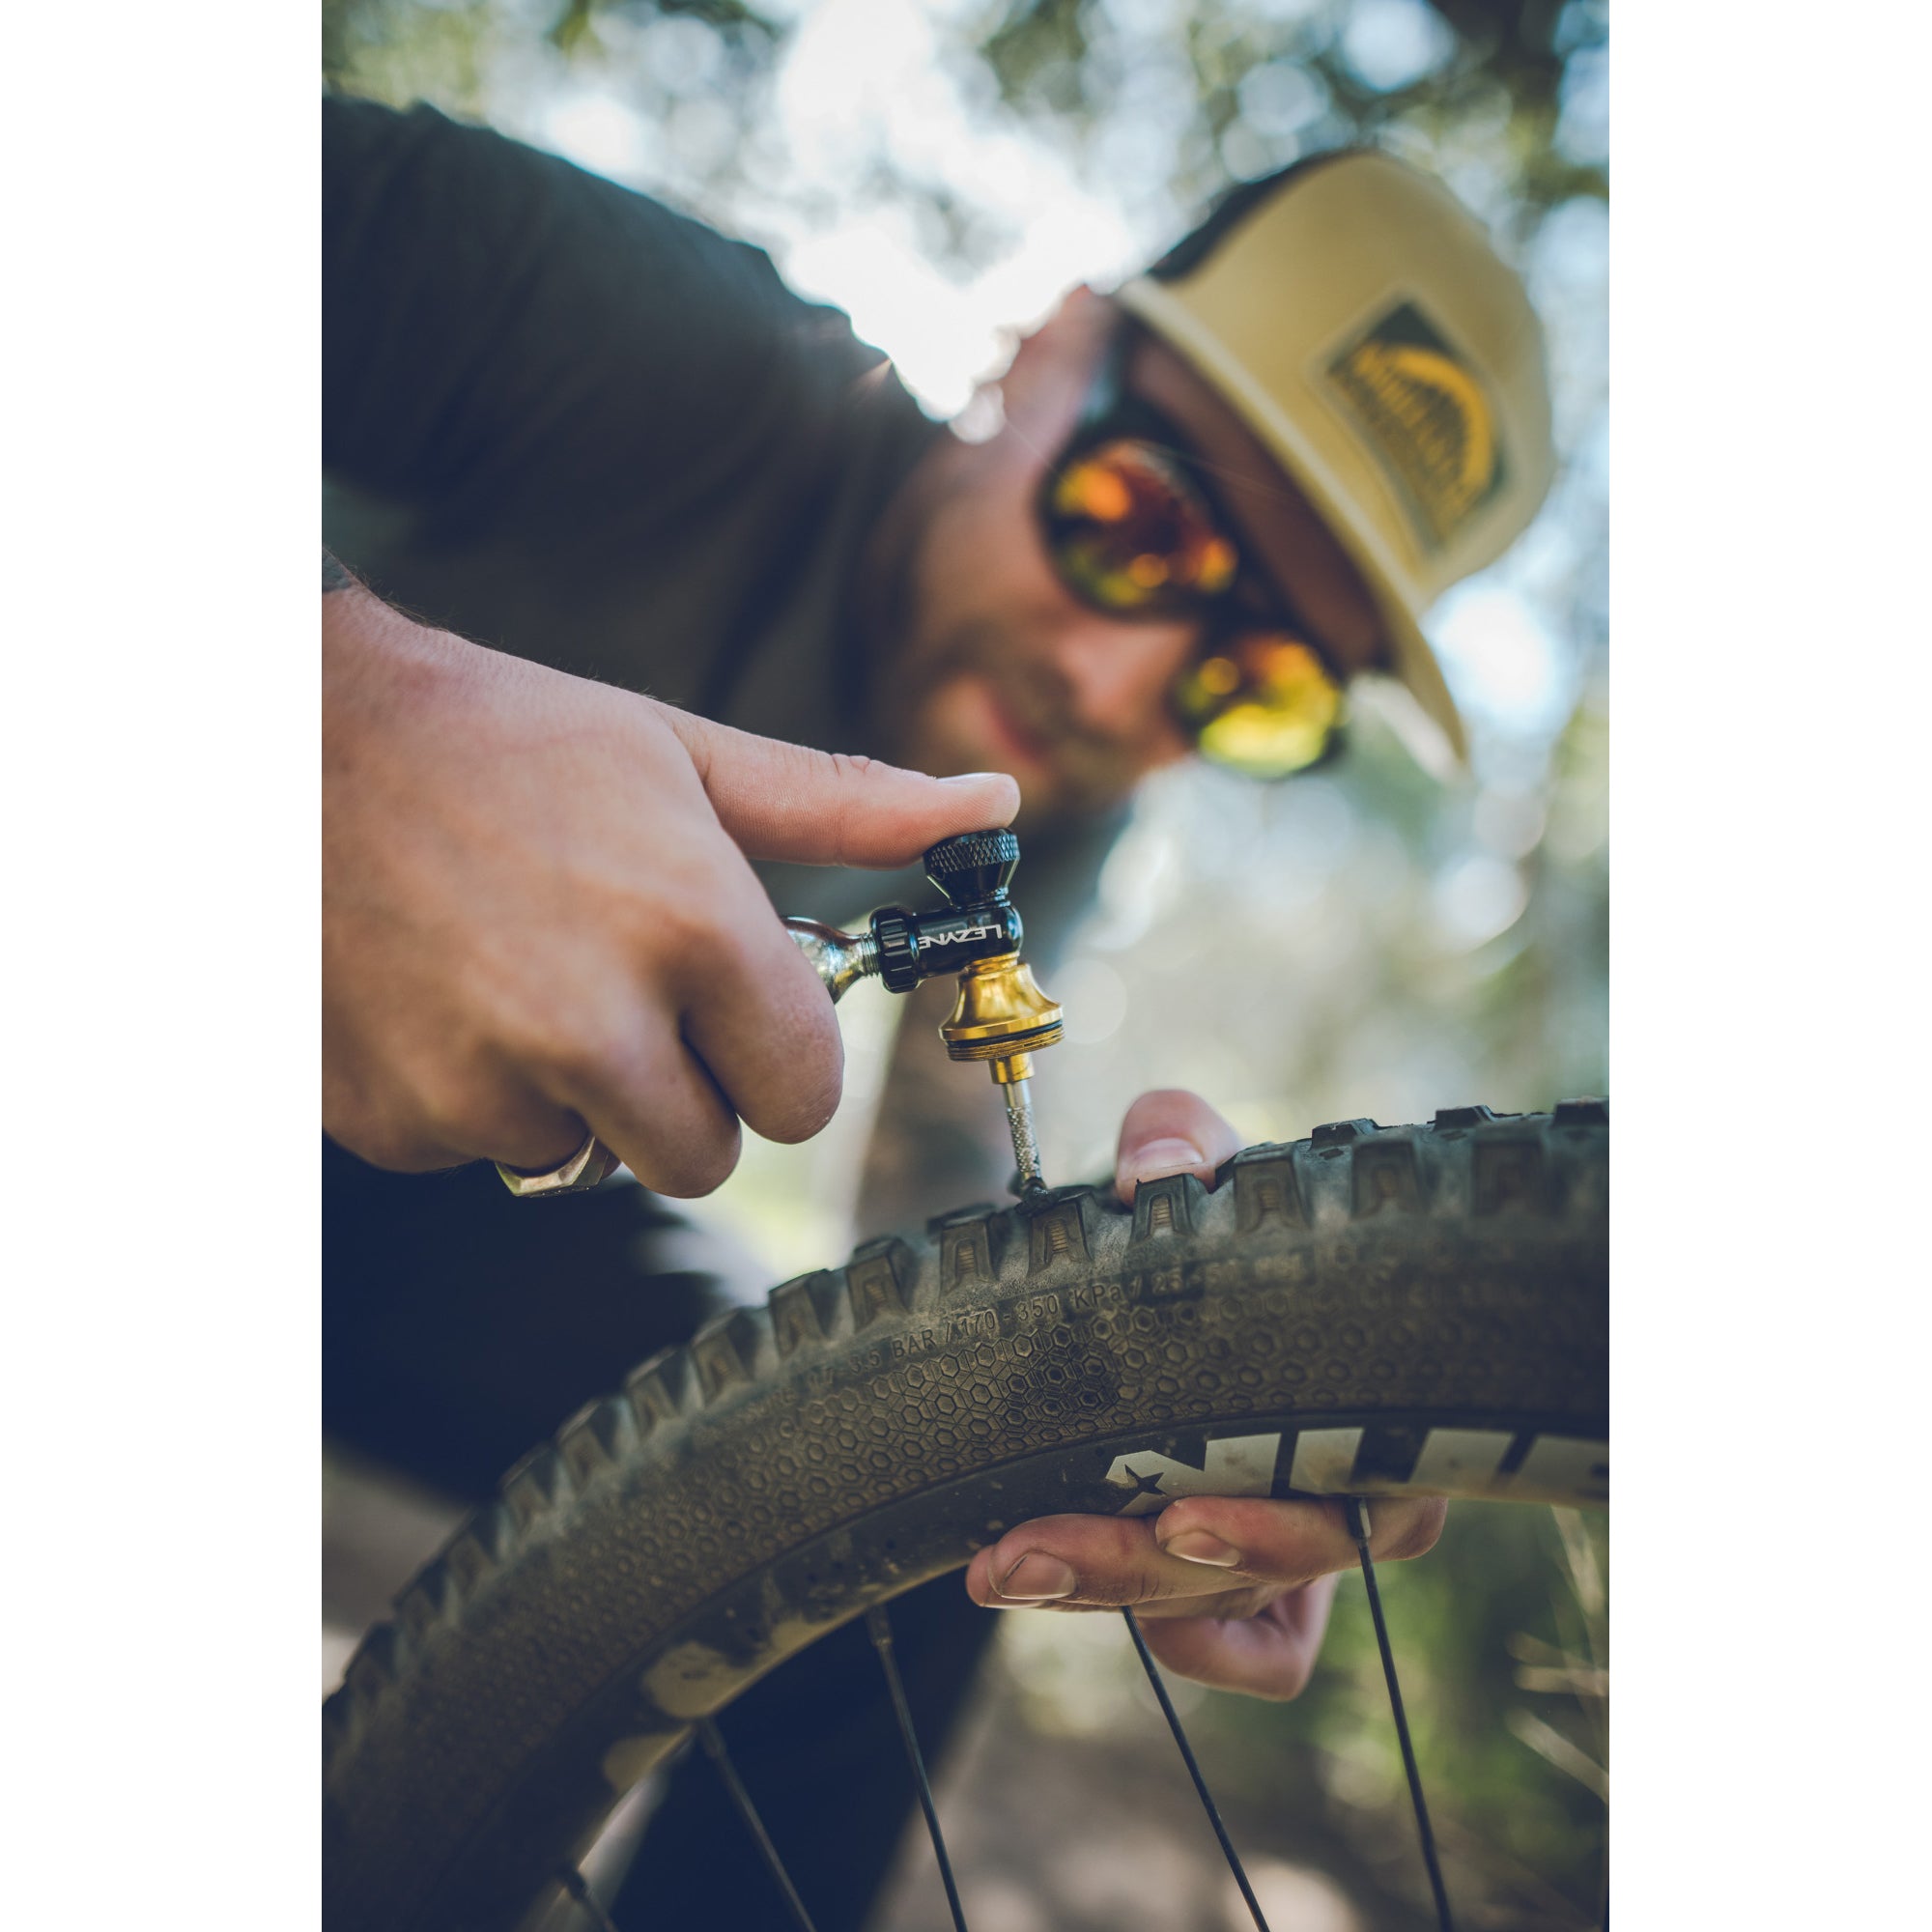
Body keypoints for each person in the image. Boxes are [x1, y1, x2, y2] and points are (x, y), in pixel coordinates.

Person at [324, 91, 1554, 1927]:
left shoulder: (1030, 818)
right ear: (1047, 344)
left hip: (367, 1207)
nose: (1122, 685)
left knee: (884, 1505)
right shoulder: (651, 347)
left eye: (1256, 682)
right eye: (1137, 520)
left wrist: (1134, 1370)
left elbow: (932, 1253)